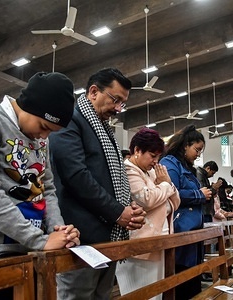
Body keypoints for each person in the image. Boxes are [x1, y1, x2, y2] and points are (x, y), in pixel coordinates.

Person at [0, 72, 81, 299]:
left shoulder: (40, 138)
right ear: (31, 106)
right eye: (44, 126)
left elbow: (46, 189)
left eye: (51, 131)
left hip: (26, 252)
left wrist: (58, 231)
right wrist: (40, 241)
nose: (44, 135)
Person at [49, 68, 146, 300]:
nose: (118, 108)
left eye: (122, 103)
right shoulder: (70, 121)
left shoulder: (104, 129)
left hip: (107, 236)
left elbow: (114, 178)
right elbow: (76, 176)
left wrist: (129, 207)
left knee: (102, 295)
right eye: (116, 99)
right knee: (77, 295)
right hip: (81, 236)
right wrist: (117, 213)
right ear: (93, 92)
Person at [116, 128, 180, 299]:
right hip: (139, 244)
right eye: (153, 156)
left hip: (159, 239)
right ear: (137, 150)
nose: (156, 161)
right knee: (139, 293)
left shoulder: (151, 172)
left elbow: (175, 202)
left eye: (158, 157)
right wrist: (166, 185)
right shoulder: (128, 170)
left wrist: (166, 186)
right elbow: (146, 199)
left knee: (155, 293)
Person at [159, 124, 212, 299]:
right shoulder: (169, 164)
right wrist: (199, 194)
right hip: (180, 228)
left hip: (192, 230)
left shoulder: (186, 166)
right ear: (185, 145)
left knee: (193, 278)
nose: (198, 154)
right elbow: (170, 192)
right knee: (182, 277)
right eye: (197, 149)